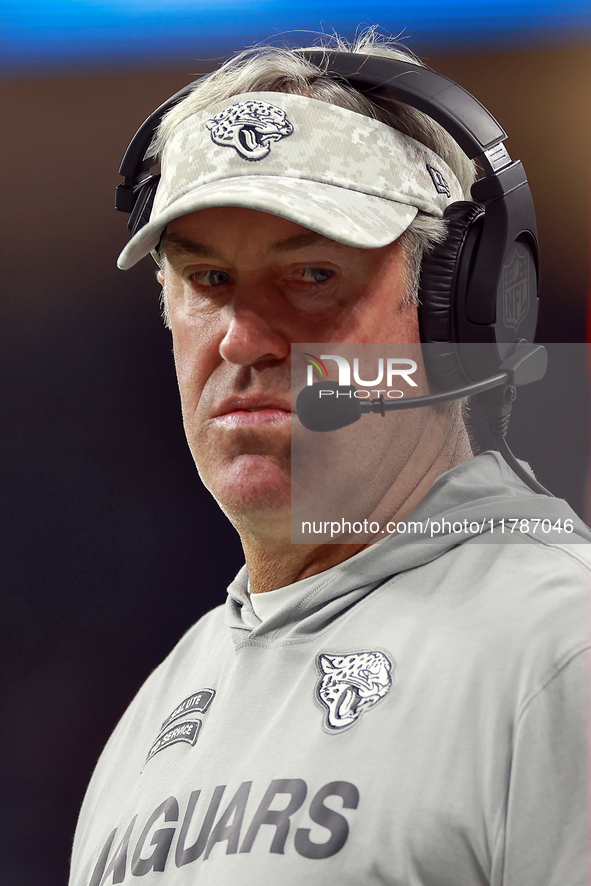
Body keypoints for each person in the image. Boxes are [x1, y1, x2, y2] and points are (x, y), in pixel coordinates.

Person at [69, 32, 591, 886]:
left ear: (454, 316)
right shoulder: (156, 713)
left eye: (311, 275)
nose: (241, 339)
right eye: (206, 282)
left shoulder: (557, 647)